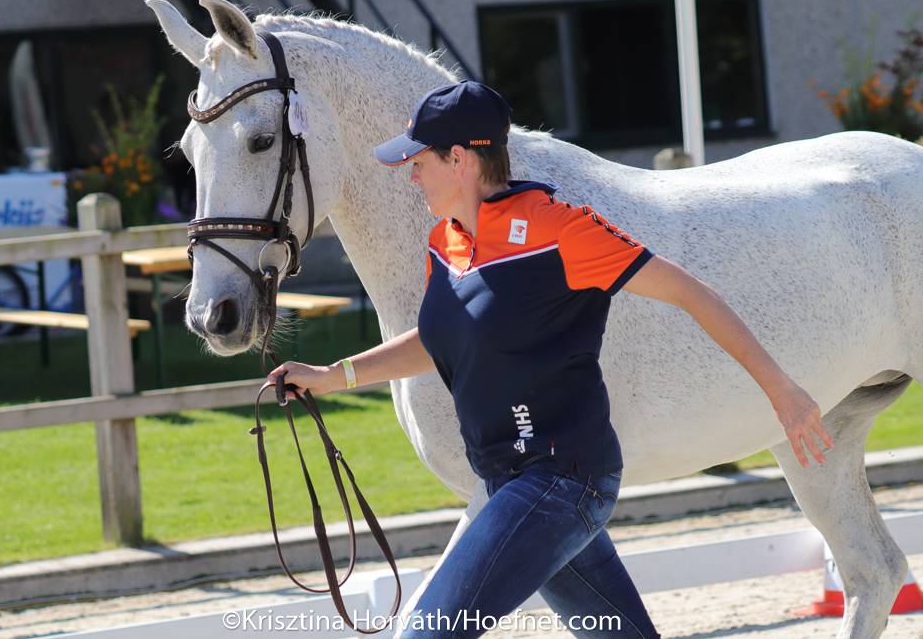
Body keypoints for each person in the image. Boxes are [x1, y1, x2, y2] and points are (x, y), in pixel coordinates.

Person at [267, 81, 833, 638]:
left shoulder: (559, 230)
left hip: (564, 480)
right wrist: (333, 376)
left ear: (459, 159)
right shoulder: (445, 242)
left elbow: (693, 293)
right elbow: (442, 336)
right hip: (507, 480)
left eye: (419, 161)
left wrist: (781, 391)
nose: (411, 175)